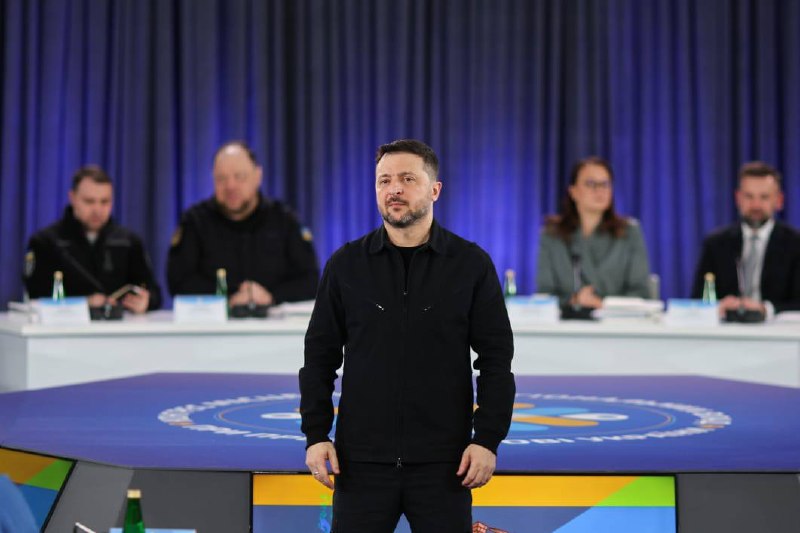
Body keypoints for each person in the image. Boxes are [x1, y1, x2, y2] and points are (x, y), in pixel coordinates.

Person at [299, 139, 515, 532]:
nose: (394, 189)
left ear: (435, 190)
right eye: (384, 180)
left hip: (445, 465)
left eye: (407, 179)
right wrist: (316, 435)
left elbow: (496, 361)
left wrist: (487, 440)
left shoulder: (471, 265)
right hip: (360, 464)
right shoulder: (346, 265)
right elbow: (319, 357)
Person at [167, 141, 318, 306]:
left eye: (239, 176)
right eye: (221, 178)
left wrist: (271, 296)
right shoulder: (195, 222)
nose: (230, 186)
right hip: (215, 319)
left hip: (274, 318)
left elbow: (310, 279)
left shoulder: (284, 220)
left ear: (258, 176)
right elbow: (178, 282)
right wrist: (228, 297)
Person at [24, 165, 161, 312]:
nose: (97, 210)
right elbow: (35, 293)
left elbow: (153, 291)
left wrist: (146, 302)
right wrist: (84, 303)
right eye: (89, 201)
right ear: (73, 198)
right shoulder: (46, 242)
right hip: (64, 323)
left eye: (104, 202)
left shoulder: (128, 242)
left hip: (119, 323)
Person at [536, 156, 651, 308]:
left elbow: (641, 292)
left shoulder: (629, 232)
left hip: (617, 319)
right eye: (591, 184)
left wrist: (603, 304)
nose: (599, 190)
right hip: (568, 319)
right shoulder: (551, 235)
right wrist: (574, 300)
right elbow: (544, 294)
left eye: (605, 184)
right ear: (573, 191)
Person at [692, 161, 800, 317]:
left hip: (777, 329)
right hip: (727, 329)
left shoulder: (795, 244)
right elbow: (698, 298)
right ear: (738, 198)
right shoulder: (716, 244)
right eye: (749, 196)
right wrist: (717, 306)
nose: (756, 205)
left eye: (764, 197)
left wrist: (765, 309)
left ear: (779, 201)